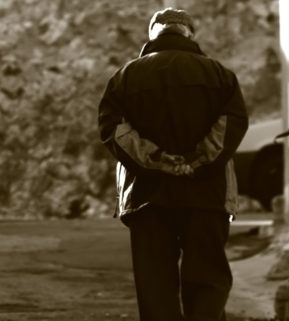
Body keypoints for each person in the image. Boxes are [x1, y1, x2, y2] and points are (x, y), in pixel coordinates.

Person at [98, 8, 248, 321]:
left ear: (152, 33)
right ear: (189, 34)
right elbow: (229, 126)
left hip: (146, 197)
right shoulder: (219, 75)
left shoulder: (124, 77)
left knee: (155, 285)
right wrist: (194, 162)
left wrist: (159, 161)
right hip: (208, 194)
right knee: (208, 279)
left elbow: (115, 130)